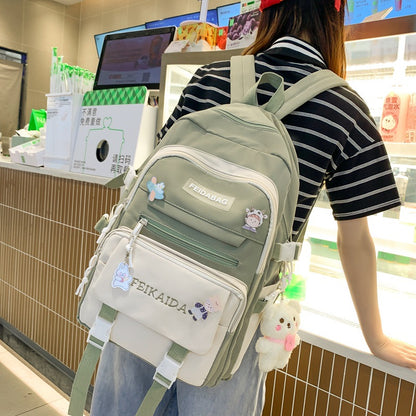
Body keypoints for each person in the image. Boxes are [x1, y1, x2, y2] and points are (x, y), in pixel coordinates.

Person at [90, 0, 416, 415]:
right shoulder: (346, 109)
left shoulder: (209, 77)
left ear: (265, 14)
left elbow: (153, 177)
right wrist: (377, 339)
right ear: (335, 20)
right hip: (232, 316)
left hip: (147, 287)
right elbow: (355, 239)